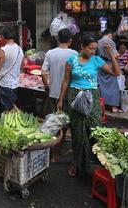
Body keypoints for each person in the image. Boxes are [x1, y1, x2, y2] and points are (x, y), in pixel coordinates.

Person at [57, 33, 120, 177]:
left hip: (92, 97)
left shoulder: (97, 60)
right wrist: (61, 99)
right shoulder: (71, 61)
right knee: (77, 132)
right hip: (75, 96)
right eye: (90, 49)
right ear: (82, 47)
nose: (93, 52)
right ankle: (76, 162)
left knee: (95, 129)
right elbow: (66, 81)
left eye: (95, 49)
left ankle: (97, 161)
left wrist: (111, 55)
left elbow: (117, 73)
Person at [41, 28, 77, 161]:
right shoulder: (74, 54)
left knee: (51, 123)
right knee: (63, 125)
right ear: (70, 40)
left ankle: (46, 151)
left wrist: (47, 86)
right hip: (68, 95)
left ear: (57, 39)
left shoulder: (50, 53)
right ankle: (56, 154)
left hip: (53, 94)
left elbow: (43, 73)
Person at [97, 29, 122, 113]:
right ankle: (114, 107)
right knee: (113, 86)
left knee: (101, 85)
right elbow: (115, 55)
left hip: (100, 64)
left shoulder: (98, 42)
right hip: (110, 64)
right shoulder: (111, 42)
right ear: (109, 35)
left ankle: (102, 104)